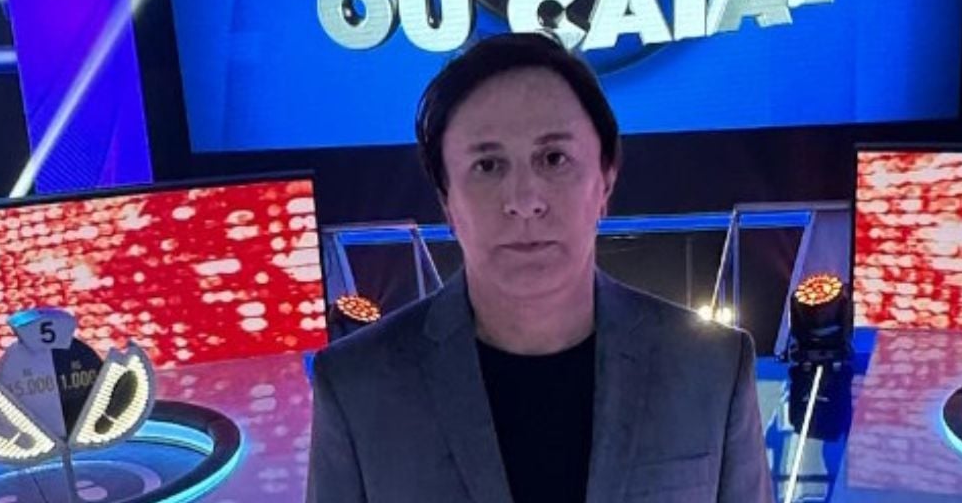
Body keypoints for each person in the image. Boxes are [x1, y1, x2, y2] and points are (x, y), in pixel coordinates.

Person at [306, 32, 773, 503]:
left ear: (606, 179)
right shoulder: (356, 387)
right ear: (447, 201)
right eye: (488, 165)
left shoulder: (710, 369)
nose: (525, 200)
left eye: (554, 159)